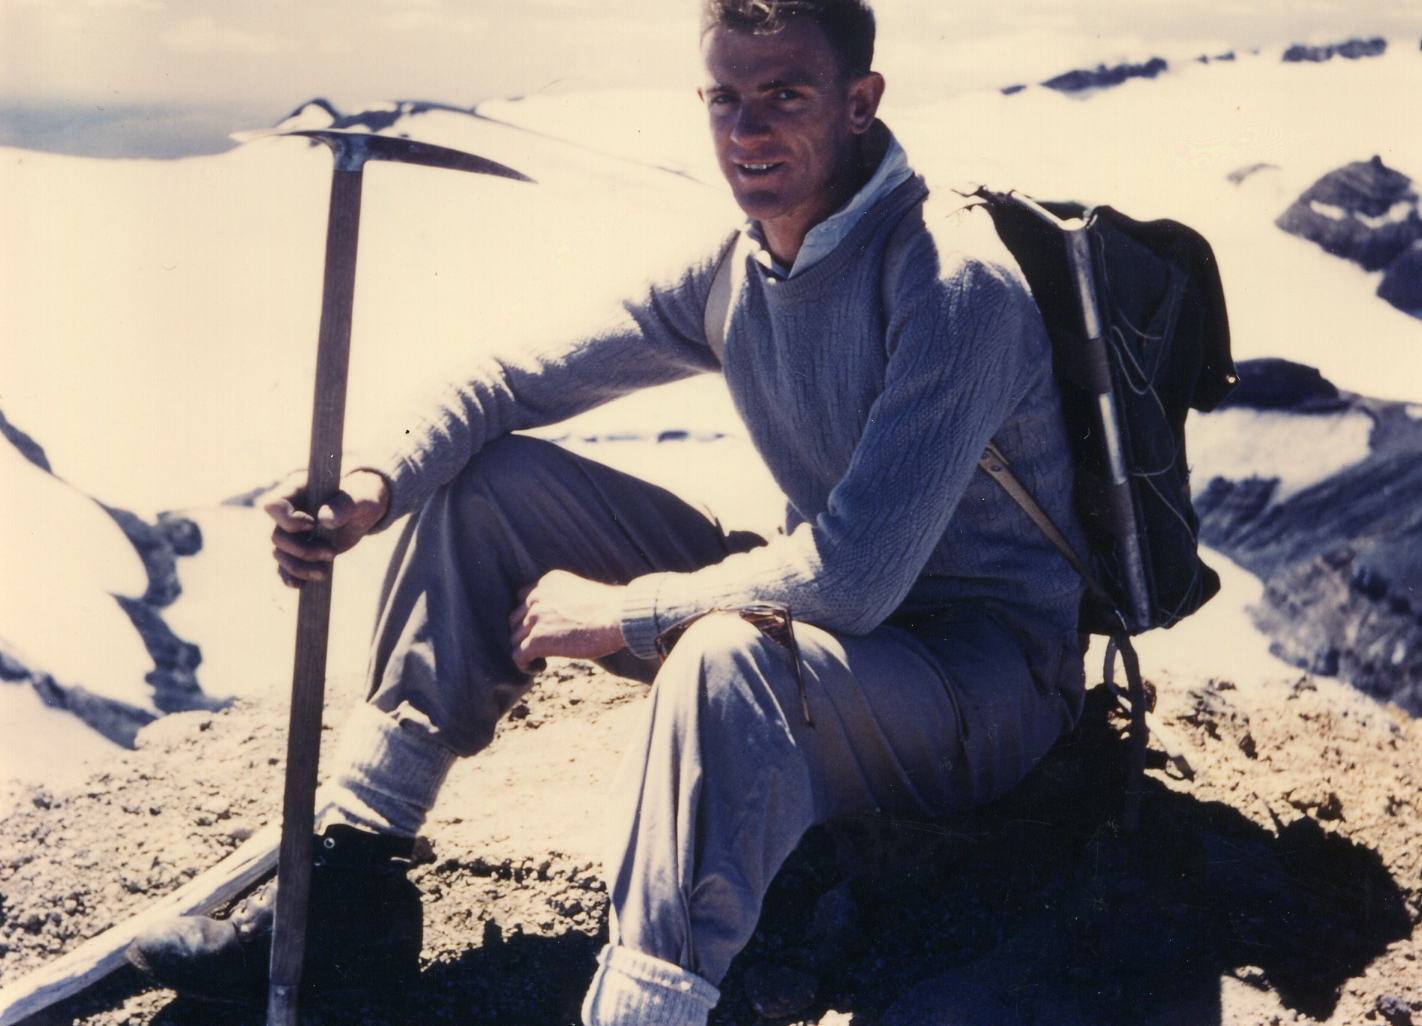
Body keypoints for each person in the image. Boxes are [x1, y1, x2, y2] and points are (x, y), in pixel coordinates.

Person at [128, 1, 1088, 1023]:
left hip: (982, 679)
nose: (745, 131)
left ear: (861, 103)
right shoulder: (744, 267)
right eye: (725, 96)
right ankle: (351, 884)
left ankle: (647, 1006)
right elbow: (508, 381)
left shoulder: (953, 283)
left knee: (727, 661)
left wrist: (627, 611)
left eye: (784, 96)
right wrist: (374, 485)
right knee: (493, 490)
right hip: (844, 645)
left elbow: (853, 577)